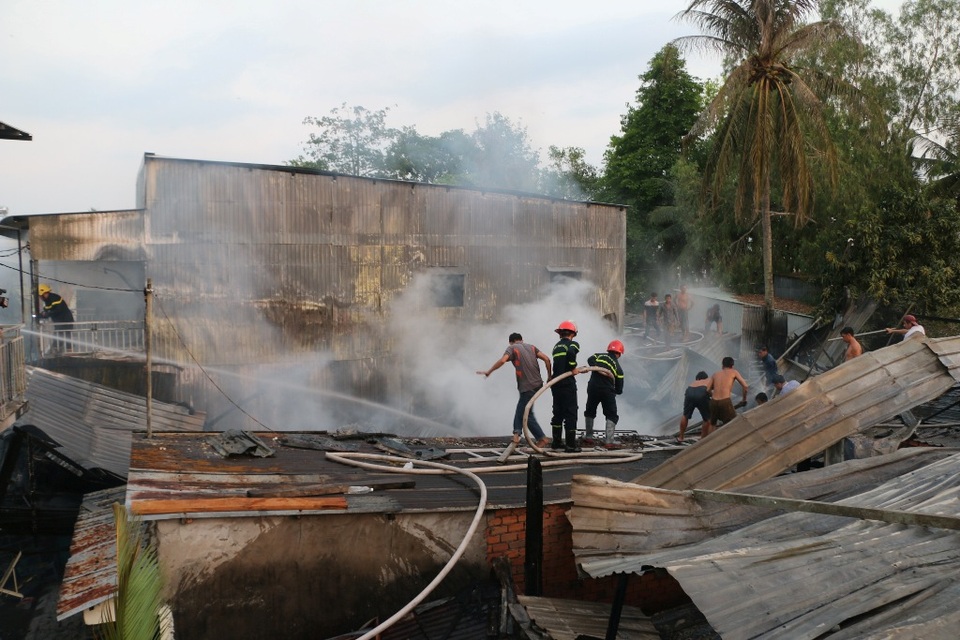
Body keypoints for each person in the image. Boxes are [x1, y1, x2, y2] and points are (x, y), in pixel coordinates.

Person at [477, 332, 552, 448]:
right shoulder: (531, 347)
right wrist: (549, 376)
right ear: (522, 340)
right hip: (538, 384)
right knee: (528, 413)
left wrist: (489, 371)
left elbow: (502, 361)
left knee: (521, 411)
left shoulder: (512, 348)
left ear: (510, 341)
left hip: (527, 386)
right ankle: (541, 438)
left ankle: (517, 434)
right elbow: (547, 359)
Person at [583, 340, 625, 448]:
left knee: (590, 411)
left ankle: (588, 437)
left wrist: (597, 368)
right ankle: (609, 441)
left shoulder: (598, 356)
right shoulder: (618, 368)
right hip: (607, 391)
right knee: (611, 414)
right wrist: (615, 391)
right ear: (619, 353)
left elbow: (590, 359)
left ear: (609, 350)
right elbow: (619, 389)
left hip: (593, 388)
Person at [550, 320, 582, 452]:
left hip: (556, 383)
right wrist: (573, 367)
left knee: (558, 413)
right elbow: (571, 353)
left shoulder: (556, 346)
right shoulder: (573, 344)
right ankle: (570, 445)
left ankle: (556, 443)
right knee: (570, 413)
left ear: (560, 333)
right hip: (567, 383)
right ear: (573, 334)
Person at [709, 357, 748, 430]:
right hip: (725, 401)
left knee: (712, 423)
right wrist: (744, 399)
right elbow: (745, 386)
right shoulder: (734, 372)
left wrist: (713, 396)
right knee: (733, 423)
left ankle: (709, 441)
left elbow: (707, 389)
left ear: (722, 366)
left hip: (713, 401)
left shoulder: (715, 374)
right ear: (732, 366)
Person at [38, 283, 75, 353]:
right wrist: (41, 315)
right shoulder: (48, 301)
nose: (40, 297)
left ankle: (69, 351)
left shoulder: (54, 298)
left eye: (40, 296)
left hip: (66, 320)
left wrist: (47, 314)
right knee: (58, 335)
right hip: (59, 322)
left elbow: (57, 310)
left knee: (66, 335)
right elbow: (47, 310)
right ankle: (57, 350)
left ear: (44, 293)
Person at [678, 371, 711, 442]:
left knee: (685, 415)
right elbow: (710, 392)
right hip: (702, 392)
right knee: (707, 418)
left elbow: (686, 394)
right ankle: (703, 438)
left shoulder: (693, 383)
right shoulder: (707, 381)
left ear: (698, 378)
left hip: (689, 391)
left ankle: (681, 437)